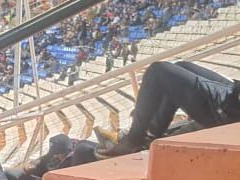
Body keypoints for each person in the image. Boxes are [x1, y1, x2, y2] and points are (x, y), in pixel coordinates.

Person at [101, 60, 240, 157]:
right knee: (181, 67)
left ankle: (133, 140)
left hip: (230, 113)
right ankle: (152, 133)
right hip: (234, 95)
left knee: (158, 71)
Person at [6, 134, 98, 180]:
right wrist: (33, 166)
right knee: (11, 174)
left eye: (58, 154)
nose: (56, 156)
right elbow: (46, 158)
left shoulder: (80, 155)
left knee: (12, 176)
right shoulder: (65, 144)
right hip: (47, 179)